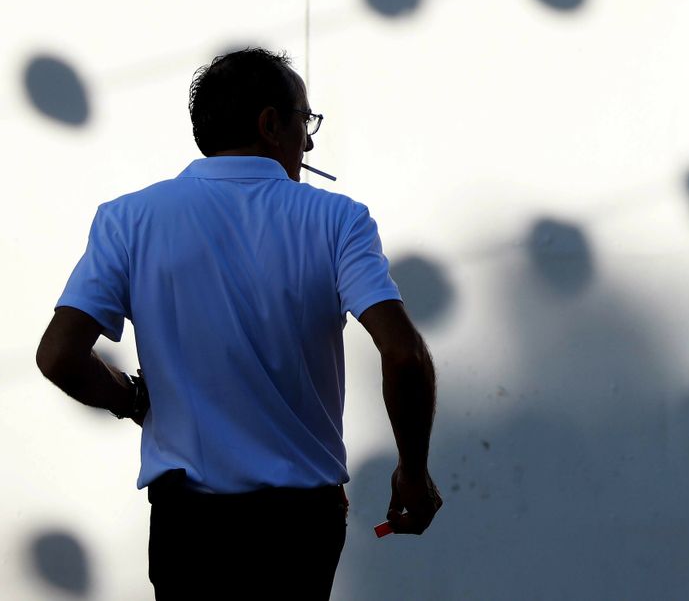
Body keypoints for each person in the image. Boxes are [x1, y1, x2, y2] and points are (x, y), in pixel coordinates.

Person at [34, 48, 442, 600]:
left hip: (188, 525)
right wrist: (413, 472)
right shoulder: (337, 219)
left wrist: (131, 400)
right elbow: (404, 354)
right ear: (271, 124)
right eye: (305, 120)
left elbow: (59, 356)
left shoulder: (128, 219)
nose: (309, 143)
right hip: (300, 526)